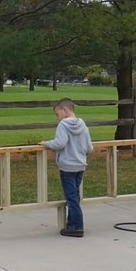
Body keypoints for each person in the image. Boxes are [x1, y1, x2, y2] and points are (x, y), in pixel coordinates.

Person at [40, 98, 93, 238]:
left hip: (67, 166)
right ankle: (71, 224)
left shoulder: (63, 125)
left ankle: (77, 227)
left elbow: (60, 143)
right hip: (80, 164)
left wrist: (47, 143)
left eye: (58, 114)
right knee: (75, 195)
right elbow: (89, 147)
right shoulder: (83, 124)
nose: (58, 118)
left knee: (71, 198)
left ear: (65, 110)